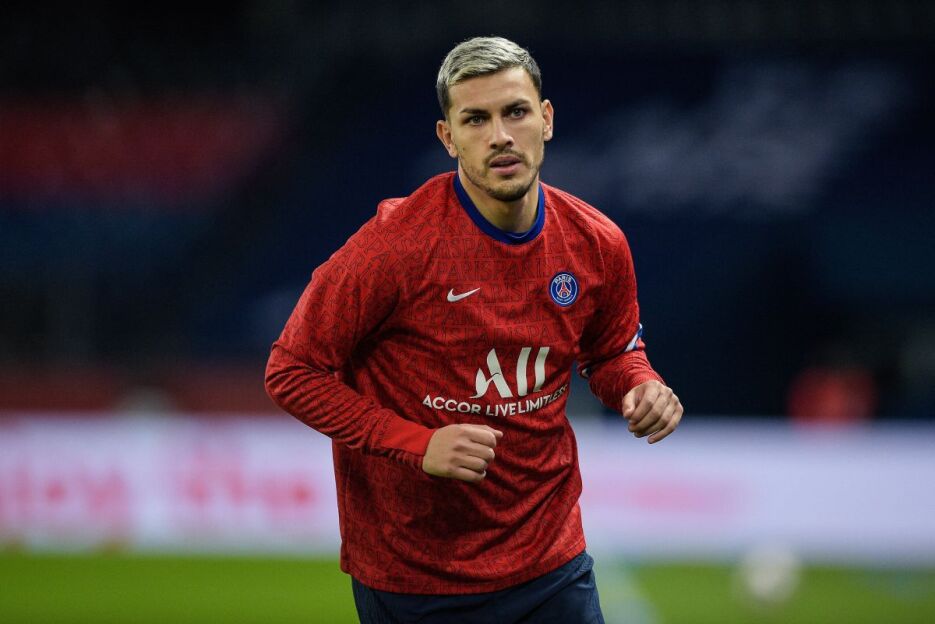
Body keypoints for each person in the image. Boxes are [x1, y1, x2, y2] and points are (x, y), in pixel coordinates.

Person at [265, 35, 683, 624]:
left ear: (546, 119)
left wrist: (641, 385)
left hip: (550, 562)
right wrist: (417, 443)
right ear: (448, 137)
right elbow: (291, 371)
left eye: (515, 112)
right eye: (476, 119)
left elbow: (612, 353)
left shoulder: (596, 241)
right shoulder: (395, 246)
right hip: (414, 577)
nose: (500, 136)